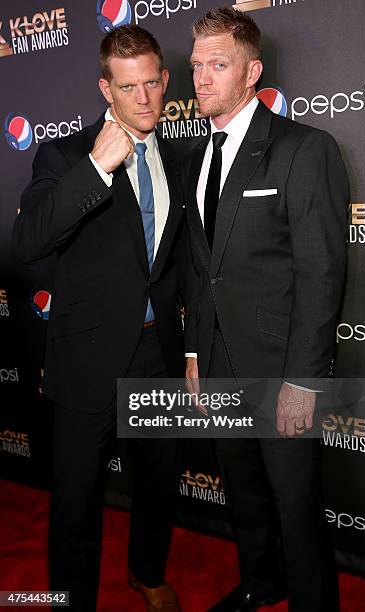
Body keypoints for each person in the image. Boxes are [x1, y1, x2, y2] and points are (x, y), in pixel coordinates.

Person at [13, 24, 186, 612]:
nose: (143, 99)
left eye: (151, 85)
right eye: (127, 87)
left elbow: (179, 265)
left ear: (165, 82)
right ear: (105, 90)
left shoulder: (181, 158)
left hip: (158, 355)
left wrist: (187, 350)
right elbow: (29, 240)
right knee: (75, 504)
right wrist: (95, 169)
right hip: (86, 361)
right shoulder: (64, 156)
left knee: (160, 484)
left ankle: (146, 572)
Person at [184, 7, 349, 612]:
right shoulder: (197, 154)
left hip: (282, 367)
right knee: (244, 492)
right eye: (197, 65)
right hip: (220, 361)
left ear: (251, 72)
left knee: (294, 502)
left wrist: (302, 381)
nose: (201, 78)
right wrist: (197, 352)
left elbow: (321, 271)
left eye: (217, 65)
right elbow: (202, 268)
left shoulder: (304, 148)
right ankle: (260, 579)